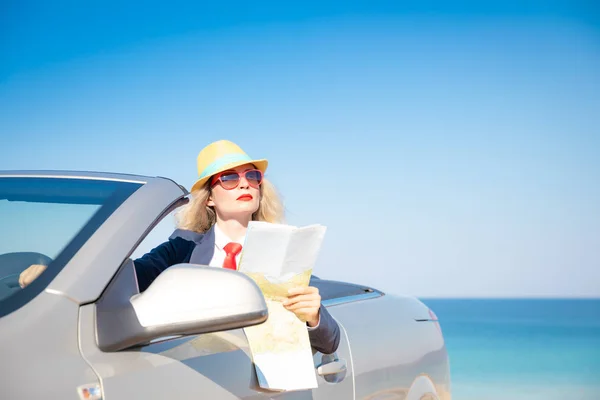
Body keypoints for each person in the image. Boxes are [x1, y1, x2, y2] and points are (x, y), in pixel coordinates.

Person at [19, 139, 340, 355]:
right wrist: (60, 273)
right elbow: (127, 275)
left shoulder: (285, 253)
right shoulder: (181, 249)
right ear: (210, 198)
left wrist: (314, 317)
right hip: (208, 374)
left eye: (252, 176)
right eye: (228, 177)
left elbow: (330, 341)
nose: (244, 183)